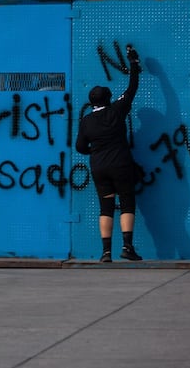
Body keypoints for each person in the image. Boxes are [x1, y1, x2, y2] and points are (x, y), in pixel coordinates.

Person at [75, 45, 143, 263]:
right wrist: (133, 63)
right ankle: (127, 247)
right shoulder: (116, 110)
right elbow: (132, 88)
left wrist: (93, 150)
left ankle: (105, 253)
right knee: (126, 202)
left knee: (105, 207)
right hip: (120, 165)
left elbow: (79, 147)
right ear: (107, 99)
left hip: (99, 167)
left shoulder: (86, 120)